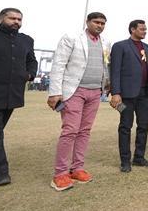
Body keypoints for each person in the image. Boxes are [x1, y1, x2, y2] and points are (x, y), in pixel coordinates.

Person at [47, 12, 111, 191]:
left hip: (96, 92)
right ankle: (60, 173)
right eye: (96, 22)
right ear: (87, 22)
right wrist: (55, 92)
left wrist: (107, 85)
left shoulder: (106, 43)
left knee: (84, 131)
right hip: (73, 91)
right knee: (70, 131)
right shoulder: (71, 38)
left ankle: (77, 168)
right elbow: (58, 64)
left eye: (103, 23)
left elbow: (106, 65)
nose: (100, 26)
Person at [0, 8, 38, 186]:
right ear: (1, 18)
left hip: (13, 95)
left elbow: (32, 61)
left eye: (19, 19)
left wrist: (29, 74)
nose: (16, 21)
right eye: (12, 18)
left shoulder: (26, 40)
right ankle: (0, 173)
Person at [110, 20, 148, 173]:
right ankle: (125, 161)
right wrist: (115, 93)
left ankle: (139, 157)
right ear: (132, 29)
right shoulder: (120, 46)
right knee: (125, 126)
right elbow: (114, 71)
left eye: (145, 29)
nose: (145, 31)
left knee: (143, 126)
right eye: (142, 29)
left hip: (145, 95)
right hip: (126, 95)